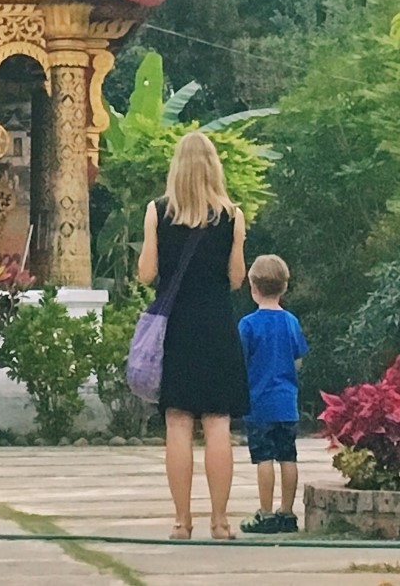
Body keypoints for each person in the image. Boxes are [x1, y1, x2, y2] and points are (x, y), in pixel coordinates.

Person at [137, 131, 249, 540]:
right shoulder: (232, 215)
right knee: (218, 423)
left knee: (178, 423)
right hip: (217, 325)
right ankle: (220, 522)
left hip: (178, 328)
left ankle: (182, 522)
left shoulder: (158, 211)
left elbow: (147, 274)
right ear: (214, 166)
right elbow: (236, 279)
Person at [237, 254, 309, 534]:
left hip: (259, 403)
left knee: (263, 458)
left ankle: (265, 513)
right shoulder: (291, 321)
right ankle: (287, 512)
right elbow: (298, 359)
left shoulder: (248, 324)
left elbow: (241, 361)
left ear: (252, 286)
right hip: (286, 403)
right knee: (288, 457)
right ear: (285, 287)